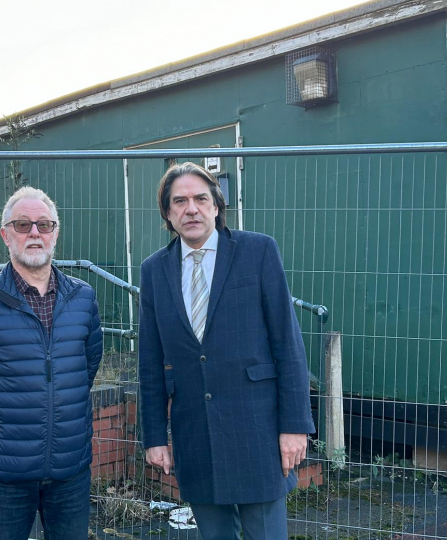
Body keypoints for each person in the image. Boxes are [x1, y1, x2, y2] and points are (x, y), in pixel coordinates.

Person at [139, 162, 315, 539]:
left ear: (216, 206)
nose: (191, 209)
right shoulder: (154, 271)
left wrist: (295, 426)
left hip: (259, 430)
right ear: (168, 214)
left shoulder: (258, 251)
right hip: (195, 434)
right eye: (180, 201)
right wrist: (154, 436)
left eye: (201, 198)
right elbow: (150, 363)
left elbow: (288, 343)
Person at [0, 186, 103, 540]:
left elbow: (87, 366)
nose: (34, 233)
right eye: (23, 224)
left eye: (44, 225)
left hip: (70, 470)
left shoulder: (83, 298)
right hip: (4, 473)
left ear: (55, 232)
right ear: (5, 234)